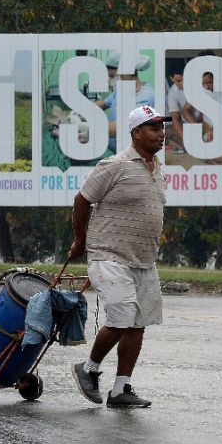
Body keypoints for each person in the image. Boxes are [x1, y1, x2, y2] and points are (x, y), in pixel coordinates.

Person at [69, 104, 171, 408]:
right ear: (136, 132)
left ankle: (120, 389)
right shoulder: (114, 165)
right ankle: (88, 369)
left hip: (143, 260)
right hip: (108, 255)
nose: (161, 134)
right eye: (154, 128)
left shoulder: (158, 171)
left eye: (162, 128)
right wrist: (80, 240)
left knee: (138, 323)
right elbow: (82, 200)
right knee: (123, 317)